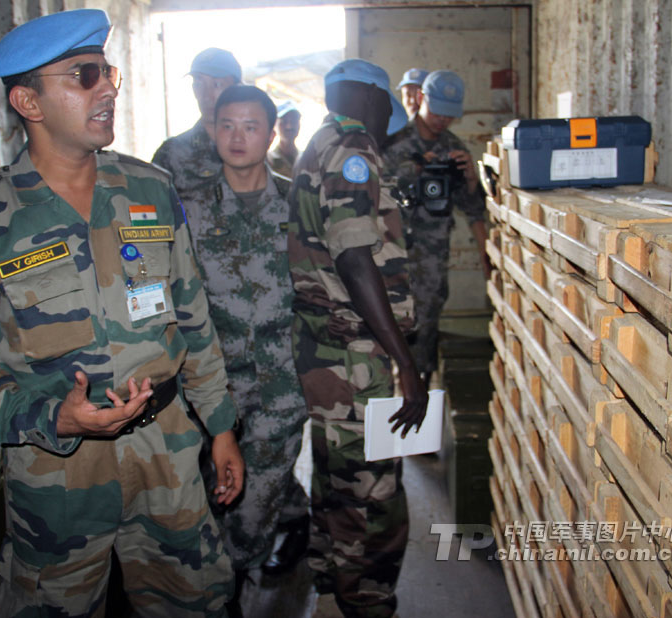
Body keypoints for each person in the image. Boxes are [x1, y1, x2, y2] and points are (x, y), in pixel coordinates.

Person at [0, 10, 243, 616]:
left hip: (167, 451)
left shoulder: (150, 191)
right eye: (83, 75)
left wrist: (221, 426)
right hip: (56, 473)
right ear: (29, 102)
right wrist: (55, 419)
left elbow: (193, 320)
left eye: (108, 74)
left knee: (194, 600)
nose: (107, 90)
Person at [288, 58, 427, 618]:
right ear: (370, 98)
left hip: (326, 351)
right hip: (357, 358)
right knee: (373, 495)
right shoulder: (352, 151)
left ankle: (330, 582)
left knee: (336, 478)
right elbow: (354, 258)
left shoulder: (319, 145)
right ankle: (364, 602)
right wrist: (405, 363)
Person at [179, 85, 310, 612]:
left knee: (257, 503)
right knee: (208, 498)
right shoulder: (184, 209)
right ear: (212, 130)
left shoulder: (300, 207)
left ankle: (237, 583)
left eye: (250, 126)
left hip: (283, 390)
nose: (237, 137)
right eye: (226, 124)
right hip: (211, 393)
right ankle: (221, 582)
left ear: (271, 133)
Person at [382, 70, 488, 388]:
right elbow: (369, 187)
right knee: (383, 333)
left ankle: (418, 402)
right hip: (388, 256)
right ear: (421, 98)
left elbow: (472, 208)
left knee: (425, 333)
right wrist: (411, 170)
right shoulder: (393, 137)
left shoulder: (453, 148)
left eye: (450, 115)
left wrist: (470, 179)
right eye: (437, 110)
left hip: (429, 262)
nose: (442, 120)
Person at [152, 48, 241, 198]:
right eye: (199, 84)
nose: (207, 96)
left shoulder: (252, 147)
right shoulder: (171, 154)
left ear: (238, 89)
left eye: (217, 84)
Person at [267, 100, 301, 178]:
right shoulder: (268, 160)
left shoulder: (306, 159)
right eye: (284, 122)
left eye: (294, 121)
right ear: (275, 125)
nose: (289, 126)